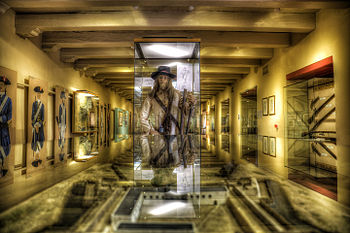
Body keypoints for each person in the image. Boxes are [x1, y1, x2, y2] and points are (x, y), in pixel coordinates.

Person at [140, 66, 196, 135]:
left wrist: (191, 103)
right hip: (159, 135)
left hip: (175, 135)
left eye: (165, 78)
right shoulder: (151, 96)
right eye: (160, 77)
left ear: (169, 80)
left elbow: (185, 111)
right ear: (157, 79)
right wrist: (150, 130)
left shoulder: (177, 95)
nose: (162, 80)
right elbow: (143, 116)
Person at [0, 76, 12, 177]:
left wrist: (1, 119)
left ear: (5, 86)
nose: (0, 86)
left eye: (2, 84)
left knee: (3, 147)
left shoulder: (8, 100)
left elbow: (9, 116)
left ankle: (1, 167)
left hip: (3, 128)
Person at [31, 86, 45, 167]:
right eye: (37, 93)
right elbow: (32, 115)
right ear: (36, 94)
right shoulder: (34, 104)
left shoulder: (42, 105)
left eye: (40, 93)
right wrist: (35, 124)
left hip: (40, 126)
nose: (39, 95)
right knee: (34, 138)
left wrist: (39, 124)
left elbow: (43, 117)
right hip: (35, 125)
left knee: (40, 137)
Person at [56, 90, 66, 161]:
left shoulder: (64, 106)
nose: (63, 99)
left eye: (64, 98)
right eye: (63, 98)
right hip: (61, 123)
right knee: (61, 135)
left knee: (63, 135)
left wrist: (64, 124)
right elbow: (59, 115)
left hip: (63, 123)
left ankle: (62, 144)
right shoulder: (60, 106)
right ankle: (61, 144)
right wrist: (59, 123)